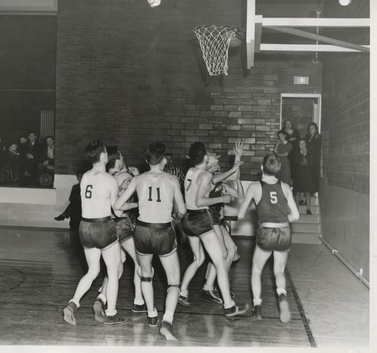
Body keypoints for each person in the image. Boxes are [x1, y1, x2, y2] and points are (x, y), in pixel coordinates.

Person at [114, 142, 186, 341]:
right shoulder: (171, 180)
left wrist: (139, 204)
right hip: (163, 231)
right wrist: (174, 215)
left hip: (142, 231)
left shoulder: (138, 179)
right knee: (174, 281)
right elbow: (182, 211)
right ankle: (167, 321)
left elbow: (118, 207)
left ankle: (152, 314)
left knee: (145, 275)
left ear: (147, 161)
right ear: (163, 160)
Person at [179, 141, 250, 319]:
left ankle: (183, 291)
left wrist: (234, 167)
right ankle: (228, 306)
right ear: (204, 158)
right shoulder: (204, 176)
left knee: (199, 258)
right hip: (201, 218)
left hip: (187, 219)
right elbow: (200, 201)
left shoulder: (192, 172)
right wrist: (222, 199)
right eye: (210, 156)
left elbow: (213, 179)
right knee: (221, 260)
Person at [63, 140, 125, 326]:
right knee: (113, 271)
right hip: (102, 227)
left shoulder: (85, 177)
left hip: (85, 227)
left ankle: (72, 305)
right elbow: (118, 211)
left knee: (93, 270)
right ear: (103, 155)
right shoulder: (109, 179)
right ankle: (111, 313)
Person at [237, 153, 300, 323]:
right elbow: (296, 215)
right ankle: (282, 296)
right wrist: (280, 219)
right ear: (277, 170)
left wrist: (252, 208)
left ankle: (257, 309)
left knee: (256, 270)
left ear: (262, 168)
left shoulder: (255, 186)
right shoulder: (285, 187)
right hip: (284, 231)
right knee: (279, 270)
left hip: (266, 232)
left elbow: (241, 213)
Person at [92, 146, 145, 323]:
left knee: (117, 264)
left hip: (107, 224)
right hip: (121, 224)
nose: (124, 159)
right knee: (140, 261)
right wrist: (137, 178)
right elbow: (126, 201)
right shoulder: (126, 177)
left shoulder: (106, 178)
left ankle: (102, 298)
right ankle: (138, 301)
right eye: (121, 157)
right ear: (117, 161)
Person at [293, 139, 316, 214]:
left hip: (307, 173)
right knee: (297, 192)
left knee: (307, 191)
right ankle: (296, 209)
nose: (302, 145)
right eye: (300, 144)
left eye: (303, 143)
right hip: (298, 173)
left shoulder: (310, 152)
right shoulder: (296, 152)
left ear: (305, 144)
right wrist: (300, 154)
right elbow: (295, 162)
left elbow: (311, 161)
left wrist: (305, 155)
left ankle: (308, 209)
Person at [305, 122, 321, 193]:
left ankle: (314, 191)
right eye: (310, 128)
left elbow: (315, 148)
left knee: (314, 175)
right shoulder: (307, 136)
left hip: (315, 160)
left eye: (313, 128)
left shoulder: (318, 136)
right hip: (308, 160)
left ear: (316, 129)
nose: (311, 129)